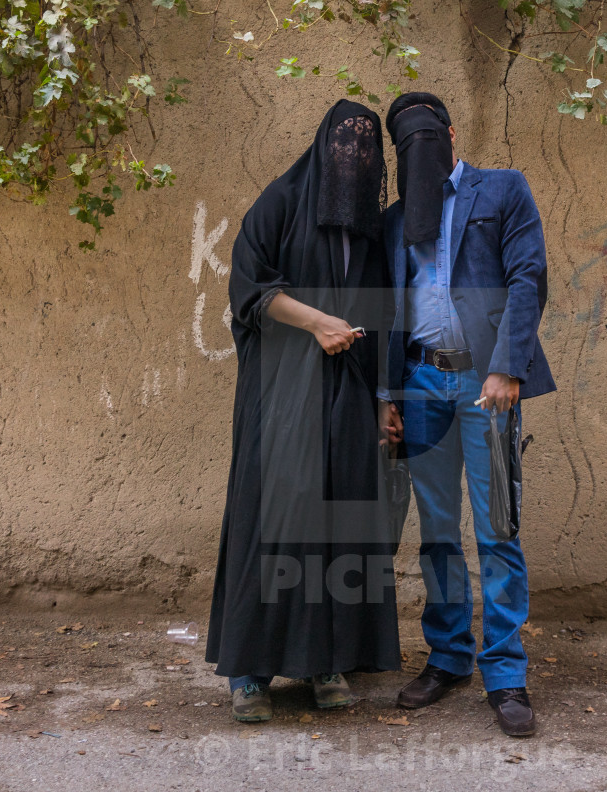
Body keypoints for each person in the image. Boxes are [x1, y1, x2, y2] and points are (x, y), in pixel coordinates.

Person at [205, 100, 401, 723]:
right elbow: (248, 288)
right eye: (342, 141)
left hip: (348, 396)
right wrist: (316, 323)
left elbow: (388, 319)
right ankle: (250, 672)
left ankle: (326, 659)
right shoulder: (281, 203)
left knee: (339, 518)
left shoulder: (372, 231)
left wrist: (383, 402)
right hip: (282, 393)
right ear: (321, 145)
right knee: (273, 516)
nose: (352, 154)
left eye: (366, 146)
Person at [381, 92, 555, 737]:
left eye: (429, 137)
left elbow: (528, 277)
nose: (422, 151)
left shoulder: (503, 189)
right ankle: (449, 656)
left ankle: (505, 672)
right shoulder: (397, 217)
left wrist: (508, 367)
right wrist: (387, 396)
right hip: (422, 382)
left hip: (487, 386)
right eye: (408, 146)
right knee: (436, 531)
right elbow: (388, 308)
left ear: (452, 135)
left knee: (499, 529)